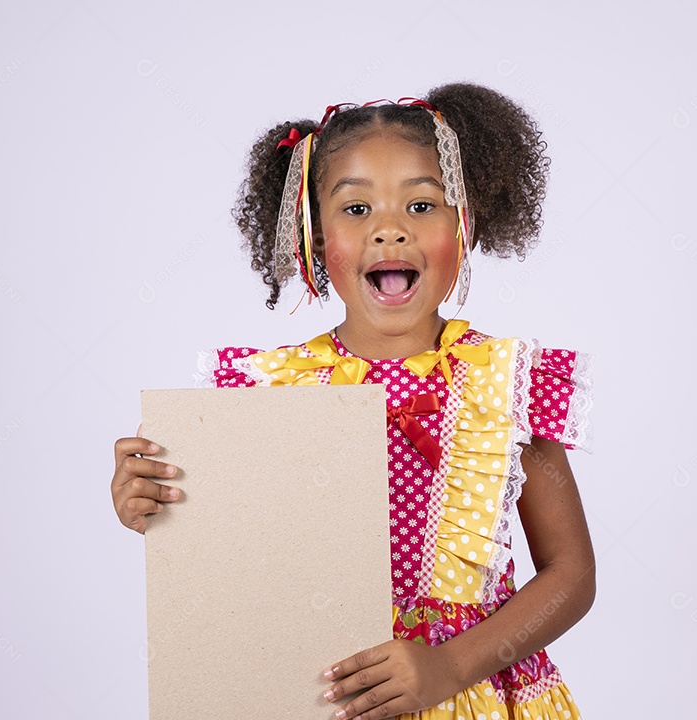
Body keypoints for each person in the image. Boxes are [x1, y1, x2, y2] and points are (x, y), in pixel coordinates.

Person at [111, 83, 595, 720]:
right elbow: (224, 552)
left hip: (470, 695)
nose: (390, 229)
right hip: (318, 696)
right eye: (356, 209)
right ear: (312, 235)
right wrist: (146, 499)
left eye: (422, 204)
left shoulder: (503, 383)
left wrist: (448, 666)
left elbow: (571, 574)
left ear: (466, 225)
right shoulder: (266, 393)